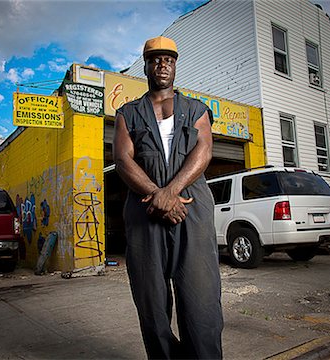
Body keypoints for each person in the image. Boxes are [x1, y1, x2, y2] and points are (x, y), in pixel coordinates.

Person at [113, 36, 223, 359]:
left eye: (168, 60)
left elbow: (204, 151)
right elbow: (123, 159)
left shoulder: (196, 109)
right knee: (152, 306)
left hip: (191, 213)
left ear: (176, 66)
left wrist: (171, 193)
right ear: (146, 66)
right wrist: (157, 196)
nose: (162, 65)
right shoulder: (128, 113)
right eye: (156, 60)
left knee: (201, 302)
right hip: (145, 215)